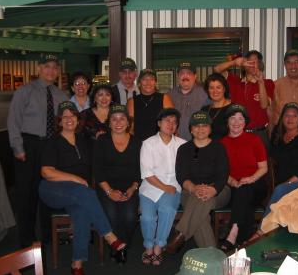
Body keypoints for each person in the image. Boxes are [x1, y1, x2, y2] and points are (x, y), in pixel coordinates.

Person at [38, 101, 127, 275]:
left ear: (78, 120)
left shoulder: (85, 142)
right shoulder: (52, 142)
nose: (69, 119)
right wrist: (75, 179)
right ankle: (110, 237)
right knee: (86, 193)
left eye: (73, 116)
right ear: (59, 121)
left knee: (81, 213)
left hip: (79, 193)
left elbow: (101, 161)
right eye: (65, 116)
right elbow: (46, 172)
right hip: (52, 189)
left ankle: (77, 263)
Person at [7, 54, 67, 247]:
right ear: (39, 68)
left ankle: (48, 237)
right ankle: (26, 239)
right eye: (47, 66)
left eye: (54, 67)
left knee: (48, 190)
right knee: (26, 193)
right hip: (28, 145)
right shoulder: (25, 91)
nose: (51, 70)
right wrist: (18, 147)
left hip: (50, 146)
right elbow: (13, 120)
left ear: (58, 71)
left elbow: (65, 123)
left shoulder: (61, 95)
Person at [166, 111, 230, 253]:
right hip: (190, 190)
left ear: (210, 128)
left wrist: (212, 190)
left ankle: (181, 233)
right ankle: (213, 255)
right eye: (196, 126)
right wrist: (195, 189)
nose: (200, 129)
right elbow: (181, 176)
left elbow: (223, 175)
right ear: (191, 129)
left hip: (218, 190)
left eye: (204, 125)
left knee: (203, 201)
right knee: (202, 211)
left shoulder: (219, 147)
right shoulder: (184, 149)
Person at [139, 108, 186, 265]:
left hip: (173, 187)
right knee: (147, 217)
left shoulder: (182, 144)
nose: (171, 124)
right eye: (167, 121)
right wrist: (165, 188)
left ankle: (159, 246)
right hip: (150, 188)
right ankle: (148, 247)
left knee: (168, 210)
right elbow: (147, 173)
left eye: (174, 122)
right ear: (159, 123)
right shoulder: (148, 143)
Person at [219, 104, 268, 251]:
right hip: (232, 186)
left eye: (240, 119)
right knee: (242, 194)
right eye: (232, 118)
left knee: (244, 189)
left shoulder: (254, 140)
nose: (236, 122)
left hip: (256, 184)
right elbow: (221, 171)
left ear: (245, 123)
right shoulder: (221, 144)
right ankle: (244, 240)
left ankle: (233, 232)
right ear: (227, 122)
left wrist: (251, 178)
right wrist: (232, 181)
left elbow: (263, 168)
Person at [93, 104, 142, 246]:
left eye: (122, 119)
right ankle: (117, 246)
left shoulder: (137, 142)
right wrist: (109, 191)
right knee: (112, 216)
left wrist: (133, 188)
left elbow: (141, 169)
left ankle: (123, 244)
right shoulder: (102, 141)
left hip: (130, 187)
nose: (118, 123)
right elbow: (97, 169)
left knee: (130, 217)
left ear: (128, 122)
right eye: (114, 119)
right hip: (106, 186)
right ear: (109, 123)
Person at [264, 102, 298, 215]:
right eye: (287, 115)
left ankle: (262, 230)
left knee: (280, 191)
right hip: (278, 182)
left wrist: (288, 182)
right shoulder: (277, 136)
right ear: (282, 118)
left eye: (294, 116)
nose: (290, 119)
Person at [214, 50, 274, 147]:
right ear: (244, 65)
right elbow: (217, 69)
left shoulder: (268, 83)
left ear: (260, 65)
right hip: (237, 132)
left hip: (259, 133)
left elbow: (264, 105)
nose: (253, 64)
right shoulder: (235, 81)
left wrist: (260, 82)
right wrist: (234, 62)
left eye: (256, 62)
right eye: (250, 62)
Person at [127, 68, 174, 141]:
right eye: (144, 79)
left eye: (151, 79)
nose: (148, 83)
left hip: (160, 144)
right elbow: (130, 128)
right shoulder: (132, 101)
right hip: (139, 144)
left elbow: (171, 124)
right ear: (139, 83)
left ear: (155, 82)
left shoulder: (165, 98)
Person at [168, 61, 208, 140]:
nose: (185, 76)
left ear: (195, 76)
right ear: (178, 76)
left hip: (197, 143)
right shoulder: (169, 95)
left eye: (189, 73)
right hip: (175, 143)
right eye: (182, 73)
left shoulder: (205, 95)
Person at [200, 73, 232, 140]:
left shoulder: (233, 109)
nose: (215, 91)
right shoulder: (204, 110)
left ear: (224, 89)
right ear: (207, 90)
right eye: (211, 88)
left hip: (228, 149)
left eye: (218, 87)